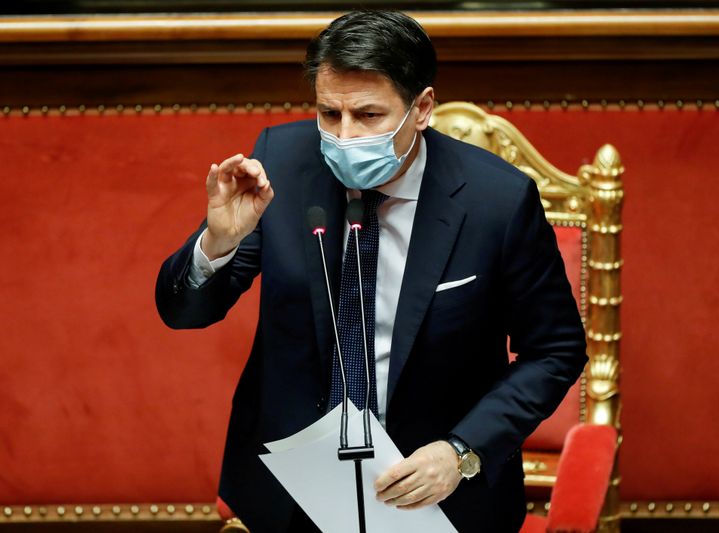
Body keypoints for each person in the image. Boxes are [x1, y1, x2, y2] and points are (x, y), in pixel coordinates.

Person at [156, 10, 586, 533]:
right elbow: (184, 313)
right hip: (292, 491)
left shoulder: (496, 200)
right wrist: (218, 240)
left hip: (435, 494)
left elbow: (556, 350)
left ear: (422, 108)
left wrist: (462, 452)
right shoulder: (282, 163)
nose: (344, 135)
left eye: (368, 115)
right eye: (328, 113)